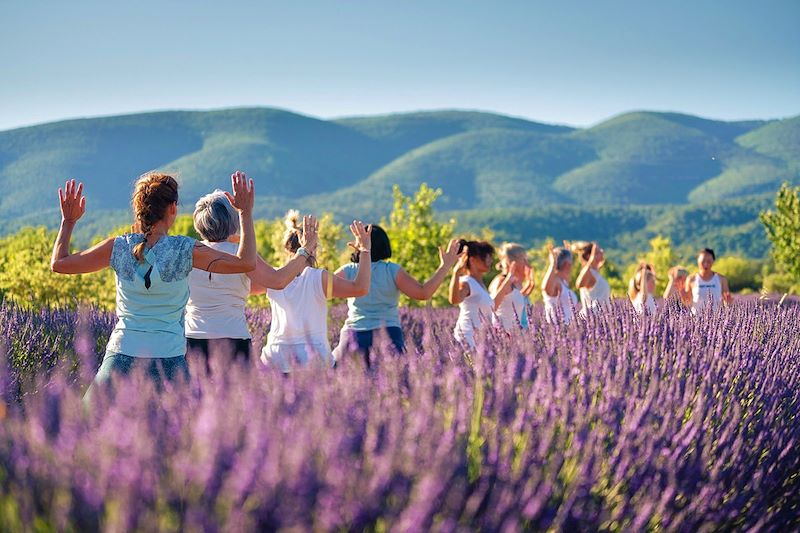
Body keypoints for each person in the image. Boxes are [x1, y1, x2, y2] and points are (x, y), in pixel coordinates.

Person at [50, 171, 258, 394]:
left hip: (120, 358)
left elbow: (59, 263)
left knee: (92, 427)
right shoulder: (185, 250)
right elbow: (246, 263)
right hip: (169, 362)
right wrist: (244, 213)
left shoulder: (119, 247)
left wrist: (68, 221)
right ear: (172, 208)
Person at [184, 190, 319, 372]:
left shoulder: (188, 253)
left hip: (192, 340)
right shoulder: (241, 255)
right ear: (232, 222)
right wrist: (304, 251)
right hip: (234, 341)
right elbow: (278, 280)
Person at [258, 212, 372, 372]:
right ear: (313, 248)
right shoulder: (318, 278)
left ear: (287, 249)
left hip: (274, 360)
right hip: (314, 361)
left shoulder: (272, 277)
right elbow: (361, 288)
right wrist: (365, 251)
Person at [332, 225, 459, 368]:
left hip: (353, 337)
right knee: (393, 384)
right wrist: (445, 266)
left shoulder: (349, 270)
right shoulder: (391, 270)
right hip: (389, 335)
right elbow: (423, 293)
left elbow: (323, 289)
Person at [449, 240, 495, 348]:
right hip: (467, 340)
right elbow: (454, 299)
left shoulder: (481, 285)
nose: (490, 260)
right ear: (472, 260)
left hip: (479, 342)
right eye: (485, 257)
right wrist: (456, 273)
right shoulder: (466, 282)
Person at [489, 243, 535, 331]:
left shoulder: (516, 284)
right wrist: (509, 278)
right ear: (513, 262)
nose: (527, 263)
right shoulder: (501, 281)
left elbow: (514, 299)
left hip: (516, 336)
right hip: (503, 335)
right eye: (524, 260)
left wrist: (530, 282)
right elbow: (492, 306)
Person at [541, 244, 579, 324]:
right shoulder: (556, 282)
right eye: (571, 263)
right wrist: (553, 264)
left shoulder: (563, 282)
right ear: (567, 264)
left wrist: (567, 253)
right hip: (557, 329)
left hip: (568, 328)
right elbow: (546, 288)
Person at [686, 248, 732, 313]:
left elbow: (726, 299)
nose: (706, 264)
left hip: (717, 319)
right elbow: (687, 301)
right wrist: (683, 295)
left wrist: (728, 302)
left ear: (713, 261)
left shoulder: (721, 279)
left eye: (709, 261)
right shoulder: (691, 279)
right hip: (695, 319)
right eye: (703, 261)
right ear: (698, 261)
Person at [573, 241, 611, 314]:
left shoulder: (595, 272)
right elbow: (579, 284)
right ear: (589, 256)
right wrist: (591, 260)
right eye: (597, 251)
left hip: (601, 317)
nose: (602, 251)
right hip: (592, 317)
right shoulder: (589, 272)